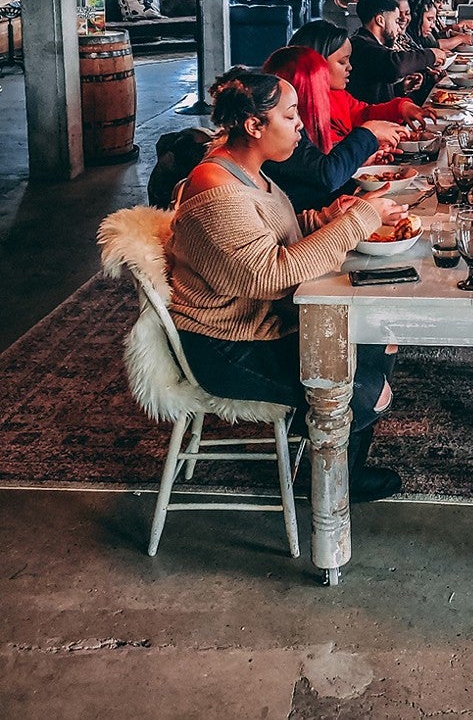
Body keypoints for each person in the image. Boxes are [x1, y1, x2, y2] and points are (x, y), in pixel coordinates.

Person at [167, 68, 406, 502]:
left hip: (265, 321)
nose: (301, 125)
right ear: (254, 125)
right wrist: (361, 219)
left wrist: (324, 218)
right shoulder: (214, 188)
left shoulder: (248, 171)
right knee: (367, 390)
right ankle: (327, 481)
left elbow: (271, 234)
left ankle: (339, 465)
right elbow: (268, 273)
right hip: (228, 344)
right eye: (290, 115)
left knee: (381, 337)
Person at [262, 45, 412, 212]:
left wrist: (359, 162)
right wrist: (369, 132)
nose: (326, 94)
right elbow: (326, 176)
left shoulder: (296, 124)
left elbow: (315, 183)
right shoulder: (280, 133)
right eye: (322, 87)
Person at [295, 23, 433, 146]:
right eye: (342, 62)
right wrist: (369, 137)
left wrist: (401, 107)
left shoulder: (338, 94)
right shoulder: (305, 107)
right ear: (317, 64)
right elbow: (330, 152)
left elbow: (362, 113)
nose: (350, 67)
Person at [348, 0, 445, 104]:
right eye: (396, 21)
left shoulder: (373, 44)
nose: (398, 29)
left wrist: (401, 88)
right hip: (371, 120)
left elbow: (375, 91)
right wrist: (431, 55)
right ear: (380, 20)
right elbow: (395, 64)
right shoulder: (360, 45)